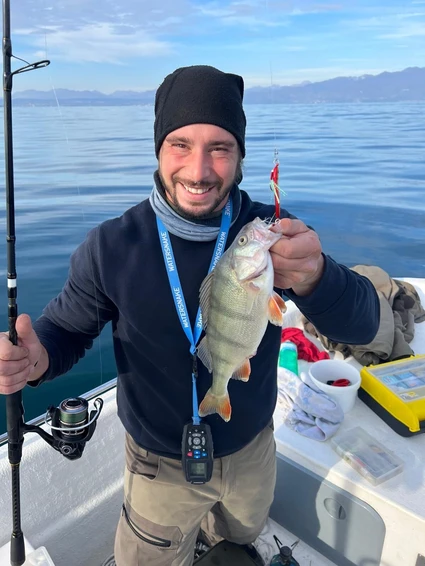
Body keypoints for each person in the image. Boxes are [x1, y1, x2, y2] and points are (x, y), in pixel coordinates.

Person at [0, 65, 380, 566]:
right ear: (158, 149)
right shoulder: (113, 245)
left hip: (252, 448)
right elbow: (66, 330)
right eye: (180, 144)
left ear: (240, 155)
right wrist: (35, 357)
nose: (198, 171)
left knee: (242, 534)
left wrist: (315, 277)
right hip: (158, 464)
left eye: (219, 148)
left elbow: (364, 325)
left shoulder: (272, 233)